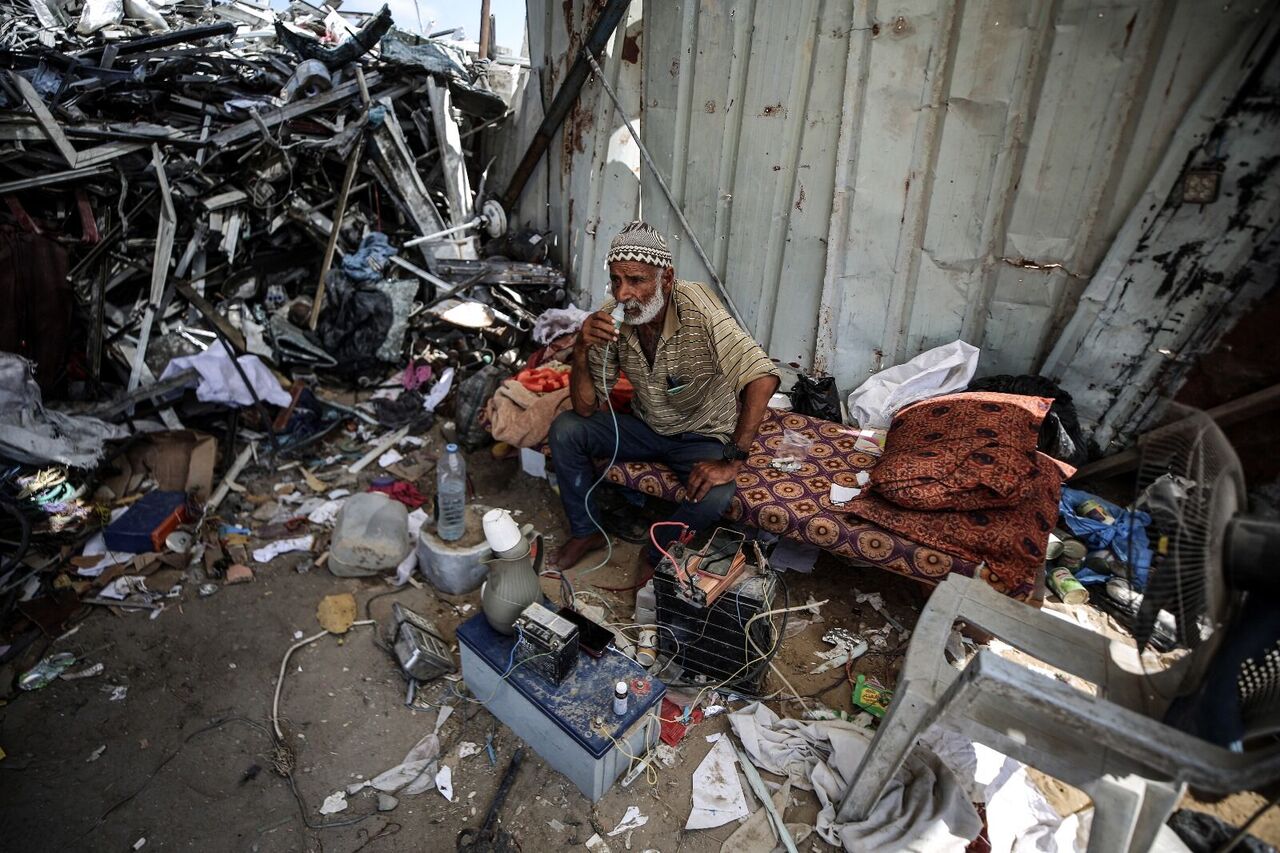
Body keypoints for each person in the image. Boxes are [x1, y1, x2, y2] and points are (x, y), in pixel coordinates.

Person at [547, 221, 780, 571]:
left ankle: (657, 549)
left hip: (701, 435)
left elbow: (762, 377)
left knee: (716, 496)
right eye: (616, 280)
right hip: (646, 426)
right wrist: (580, 347)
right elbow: (584, 408)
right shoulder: (613, 316)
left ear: (666, 279)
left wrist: (732, 461)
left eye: (636, 280)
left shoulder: (697, 306)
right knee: (566, 429)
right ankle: (586, 530)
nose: (623, 293)